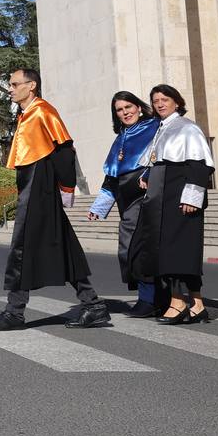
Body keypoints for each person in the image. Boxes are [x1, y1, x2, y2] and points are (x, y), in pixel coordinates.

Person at [0, 68, 110, 331]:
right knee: (63, 246)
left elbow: (64, 151)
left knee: (21, 246)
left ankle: (14, 312)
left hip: (40, 189)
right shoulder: (26, 114)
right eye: (10, 83)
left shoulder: (42, 111)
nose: (10, 88)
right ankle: (92, 305)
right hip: (35, 186)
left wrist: (66, 188)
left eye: (15, 83)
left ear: (32, 86)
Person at [128, 84, 215, 325]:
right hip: (162, 199)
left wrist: (192, 198)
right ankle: (197, 304)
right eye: (155, 100)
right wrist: (147, 178)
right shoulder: (162, 128)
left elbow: (198, 166)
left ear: (177, 102)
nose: (160, 104)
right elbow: (157, 161)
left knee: (177, 252)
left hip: (180, 198)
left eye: (165, 99)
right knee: (176, 251)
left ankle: (177, 302)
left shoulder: (187, 128)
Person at [86, 91, 159, 318]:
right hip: (125, 201)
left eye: (129, 107)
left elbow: (163, 157)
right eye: (120, 109)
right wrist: (99, 207)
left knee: (140, 247)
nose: (125, 112)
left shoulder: (155, 127)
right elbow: (112, 178)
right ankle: (149, 297)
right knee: (129, 248)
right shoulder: (120, 138)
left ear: (139, 107)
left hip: (147, 197)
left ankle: (150, 299)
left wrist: (149, 175)